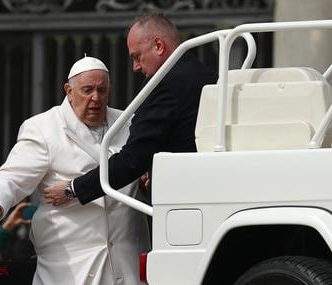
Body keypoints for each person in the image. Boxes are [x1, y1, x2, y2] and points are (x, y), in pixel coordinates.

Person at [0, 56, 150, 285]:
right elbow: (12, 176)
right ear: (68, 91)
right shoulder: (44, 128)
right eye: (87, 90)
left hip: (126, 259)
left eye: (102, 90)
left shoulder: (128, 123)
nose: (95, 98)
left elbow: (142, 169)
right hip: (71, 267)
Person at [43, 12, 217, 206]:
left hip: (184, 200)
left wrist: (73, 189)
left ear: (158, 46)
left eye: (137, 56)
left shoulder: (164, 84)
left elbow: (133, 159)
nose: (135, 67)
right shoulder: (206, 74)